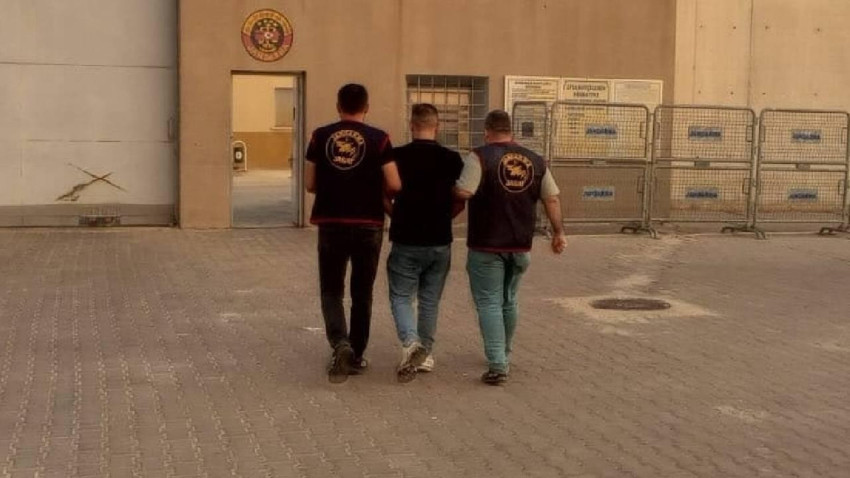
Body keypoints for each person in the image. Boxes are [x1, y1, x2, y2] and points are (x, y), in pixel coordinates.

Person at [454, 109, 567, 386]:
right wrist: (558, 232)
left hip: (487, 244)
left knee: (489, 302)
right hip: (520, 245)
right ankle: (504, 352)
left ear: (487, 131)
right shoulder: (535, 160)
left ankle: (497, 365)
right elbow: (552, 198)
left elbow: (465, 191)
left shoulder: (480, 156)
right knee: (509, 299)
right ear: (511, 131)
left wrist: (448, 192)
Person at [305, 84, 401, 383]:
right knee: (362, 292)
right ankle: (357, 354)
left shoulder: (320, 136)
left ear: (338, 106)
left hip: (331, 221)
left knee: (331, 290)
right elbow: (395, 184)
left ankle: (340, 344)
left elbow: (310, 183)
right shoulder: (380, 138)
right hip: (368, 223)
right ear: (366, 107)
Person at [386, 104, 464, 383]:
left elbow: (383, 193)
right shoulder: (452, 159)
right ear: (437, 126)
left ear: (411, 125)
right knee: (430, 300)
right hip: (439, 239)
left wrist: (395, 215)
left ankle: (411, 343)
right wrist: (444, 217)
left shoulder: (396, 156)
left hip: (405, 238)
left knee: (401, 296)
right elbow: (461, 198)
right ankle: (426, 355)